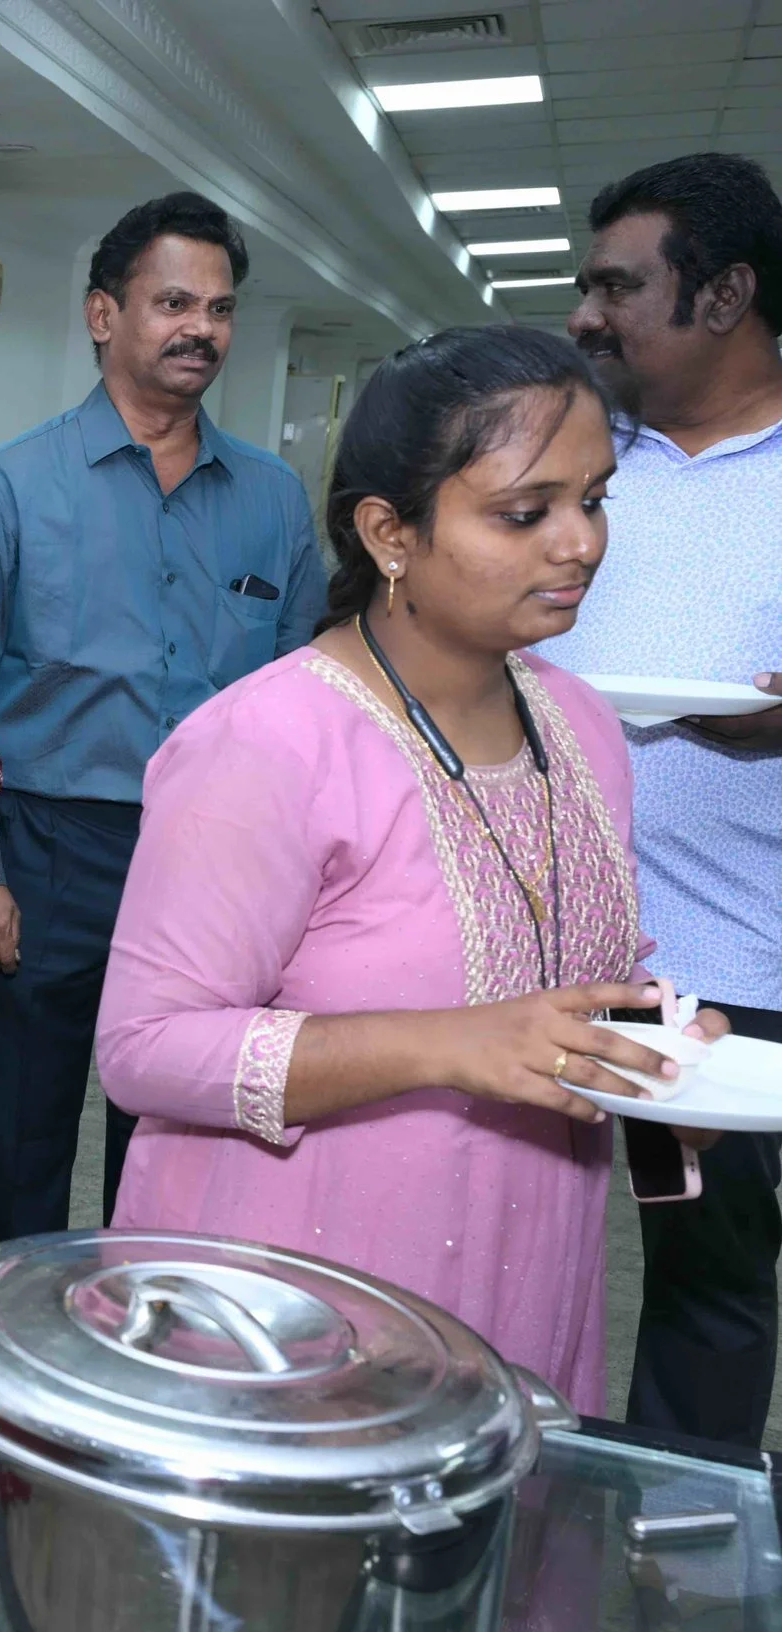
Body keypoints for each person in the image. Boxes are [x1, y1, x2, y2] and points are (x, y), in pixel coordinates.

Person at [96, 325, 729, 1415]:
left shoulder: (582, 727)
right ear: (390, 532)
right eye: (524, 513)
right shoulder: (269, 741)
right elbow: (143, 1048)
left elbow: (574, 974)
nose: (579, 543)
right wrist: (452, 1043)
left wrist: (664, 1061)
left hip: (525, 1260)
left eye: (594, 500)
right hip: (303, 1296)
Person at [0, 191, 325, 1255]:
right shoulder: (8, 488)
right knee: (16, 1132)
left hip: (215, 863)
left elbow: (307, 702)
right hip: (46, 851)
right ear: (103, 314)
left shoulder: (272, 499)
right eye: (173, 303)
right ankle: (4, 1335)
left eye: (219, 308)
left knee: (178, 1143)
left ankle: (146, 1330)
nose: (201, 328)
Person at [548, 152, 782, 1446]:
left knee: (706, 1268)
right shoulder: (583, 463)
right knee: (528, 1232)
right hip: (573, 955)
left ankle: (682, 1528)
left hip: (738, 963)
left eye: (616, 287)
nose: (586, 315)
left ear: (725, 294)